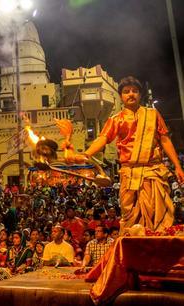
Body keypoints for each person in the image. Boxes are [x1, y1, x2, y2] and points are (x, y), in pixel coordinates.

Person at [67, 76, 184, 233]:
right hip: (130, 174)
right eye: (126, 91)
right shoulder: (116, 120)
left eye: (135, 91)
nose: (131, 94)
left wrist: (178, 166)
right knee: (131, 216)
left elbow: (164, 140)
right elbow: (103, 139)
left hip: (153, 171)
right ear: (121, 96)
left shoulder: (153, 114)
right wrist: (86, 154)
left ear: (140, 95)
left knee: (160, 215)